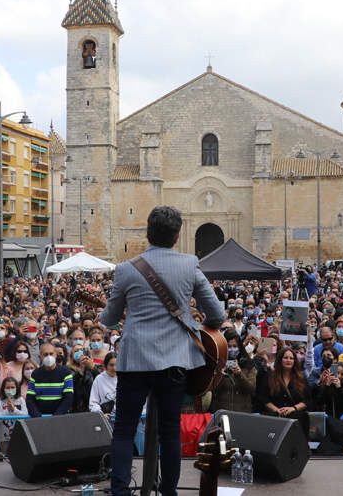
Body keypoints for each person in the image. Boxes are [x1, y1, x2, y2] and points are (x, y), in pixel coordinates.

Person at [100, 206, 225, 496]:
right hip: (175, 362)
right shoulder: (189, 264)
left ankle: (120, 492)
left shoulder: (126, 269)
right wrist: (199, 326)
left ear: (147, 233)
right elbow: (216, 314)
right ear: (178, 235)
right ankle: (168, 492)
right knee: (169, 432)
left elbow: (108, 318)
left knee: (124, 429)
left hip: (135, 363)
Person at [256, 347, 311, 437]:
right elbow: (263, 398)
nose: (288, 360)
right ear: (280, 360)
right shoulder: (270, 377)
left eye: (291, 358)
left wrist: (293, 408)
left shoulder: (301, 378)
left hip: (297, 420)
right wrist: (277, 410)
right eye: (285, 358)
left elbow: (308, 400)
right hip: (274, 419)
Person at [210, 330, 257, 413]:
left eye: (235, 346)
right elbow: (212, 390)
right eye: (229, 346)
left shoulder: (248, 364)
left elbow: (252, 390)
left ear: (240, 347)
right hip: (221, 412)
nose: (232, 349)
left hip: (242, 412)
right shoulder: (217, 363)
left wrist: (240, 375)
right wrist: (220, 374)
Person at [26, 343, 74, 417]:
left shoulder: (65, 373)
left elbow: (68, 398)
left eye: (51, 354)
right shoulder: (35, 374)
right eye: (45, 354)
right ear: (40, 357)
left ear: (55, 355)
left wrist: (56, 416)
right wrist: (37, 416)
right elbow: (30, 398)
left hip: (60, 418)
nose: (49, 357)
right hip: (40, 418)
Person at [0, 377, 27, 454]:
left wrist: (14, 410)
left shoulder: (21, 400)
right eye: (7, 388)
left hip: (19, 436)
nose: (10, 389)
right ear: (3, 389)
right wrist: (7, 410)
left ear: (17, 388)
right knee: (6, 457)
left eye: (12, 387)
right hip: (4, 437)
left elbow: (25, 416)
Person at [68, 343, 100, 413]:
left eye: (82, 350)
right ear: (71, 355)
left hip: (91, 406)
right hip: (76, 408)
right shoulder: (68, 370)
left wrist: (93, 368)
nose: (80, 352)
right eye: (76, 351)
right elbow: (73, 386)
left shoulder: (92, 368)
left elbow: (101, 381)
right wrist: (81, 369)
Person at [89, 352, 118, 417]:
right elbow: (93, 403)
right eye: (111, 365)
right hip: (106, 418)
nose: (114, 368)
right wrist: (101, 415)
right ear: (105, 365)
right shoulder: (99, 379)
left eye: (116, 365)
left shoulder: (123, 378)